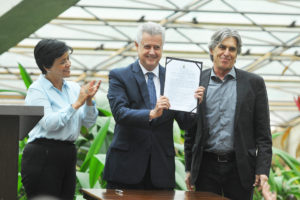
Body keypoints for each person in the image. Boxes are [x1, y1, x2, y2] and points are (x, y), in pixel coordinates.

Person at [103, 22, 205, 190]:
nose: (152, 52)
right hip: (125, 169)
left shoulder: (174, 77)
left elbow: (185, 123)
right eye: (147, 46)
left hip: (161, 171)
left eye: (156, 47)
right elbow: (120, 113)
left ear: (162, 48)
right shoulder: (119, 76)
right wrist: (151, 113)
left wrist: (195, 104)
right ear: (137, 46)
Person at [184, 28, 272, 200]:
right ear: (212, 50)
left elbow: (263, 134)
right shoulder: (196, 81)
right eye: (222, 47)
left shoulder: (254, 84)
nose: (226, 53)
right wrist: (189, 168)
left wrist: (262, 170)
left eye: (232, 49)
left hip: (240, 167)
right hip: (205, 167)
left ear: (237, 53)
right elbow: (191, 131)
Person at [21, 39, 101, 199]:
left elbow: (89, 123)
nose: (69, 64)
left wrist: (89, 101)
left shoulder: (73, 88)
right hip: (43, 155)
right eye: (62, 61)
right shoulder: (37, 90)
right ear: (46, 66)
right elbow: (50, 123)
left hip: (68, 153)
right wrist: (77, 103)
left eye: (68, 59)